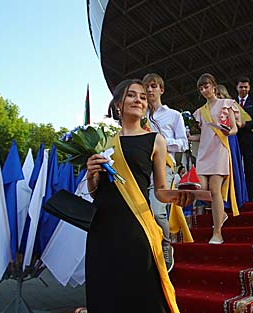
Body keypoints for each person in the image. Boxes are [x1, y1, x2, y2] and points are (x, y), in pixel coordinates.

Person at [85, 79, 193, 312]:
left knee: (142, 293)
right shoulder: (103, 141)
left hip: (137, 228)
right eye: (131, 95)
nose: (139, 100)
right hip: (103, 228)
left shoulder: (155, 140)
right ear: (117, 105)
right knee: (105, 292)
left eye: (143, 97)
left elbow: (160, 190)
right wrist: (90, 174)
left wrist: (177, 196)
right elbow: (96, 193)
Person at [142, 73, 189, 273]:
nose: (150, 90)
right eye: (147, 87)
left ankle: (166, 246)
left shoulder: (174, 115)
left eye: (154, 86)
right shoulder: (139, 115)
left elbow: (184, 144)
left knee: (157, 207)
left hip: (163, 165)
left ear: (161, 89)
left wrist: (161, 142)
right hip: (141, 166)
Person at [191, 74, 239, 244]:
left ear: (214, 87)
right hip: (204, 153)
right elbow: (203, 134)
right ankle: (222, 214)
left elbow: (234, 129)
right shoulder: (199, 112)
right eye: (201, 88)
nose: (204, 90)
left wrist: (228, 132)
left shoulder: (226, 104)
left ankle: (217, 232)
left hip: (220, 150)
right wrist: (189, 137)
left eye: (206, 86)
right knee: (201, 189)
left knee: (214, 189)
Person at [216, 84, 248, 208]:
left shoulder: (231, 105)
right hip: (217, 140)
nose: (217, 97)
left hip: (230, 138)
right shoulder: (211, 108)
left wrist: (230, 124)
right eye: (216, 94)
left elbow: (239, 123)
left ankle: (234, 199)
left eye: (219, 94)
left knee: (231, 167)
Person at [236, 76, 253, 202]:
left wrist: (245, 125)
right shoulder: (232, 103)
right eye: (241, 87)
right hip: (235, 139)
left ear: (249, 88)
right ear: (237, 87)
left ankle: (250, 197)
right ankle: (237, 195)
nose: (243, 89)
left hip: (250, 139)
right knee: (235, 167)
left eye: (246, 87)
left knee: (249, 168)